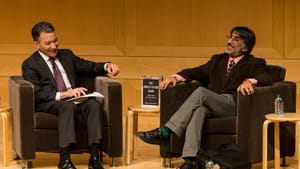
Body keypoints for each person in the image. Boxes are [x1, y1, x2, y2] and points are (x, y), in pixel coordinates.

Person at [137, 26, 273, 169]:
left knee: (201, 93)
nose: (230, 41)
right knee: (199, 110)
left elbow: (266, 77)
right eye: (230, 37)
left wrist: (249, 81)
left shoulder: (254, 62)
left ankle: (166, 132)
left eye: (236, 39)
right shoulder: (217, 60)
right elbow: (196, 71)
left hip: (233, 103)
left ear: (245, 47)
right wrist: (175, 77)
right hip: (212, 102)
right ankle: (190, 160)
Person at [22, 21, 120, 169]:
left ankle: (94, 157)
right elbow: (37, 94)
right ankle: (65, 159)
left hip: (75, 98)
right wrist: (64, 94)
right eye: (48, 43)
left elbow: (89, 66)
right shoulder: (30, 64)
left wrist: (107, 66)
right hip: (51, 101)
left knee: (93, 104)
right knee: (67, 107)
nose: (54, 46)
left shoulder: (67, 55)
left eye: (55, 41)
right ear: (37, 44)